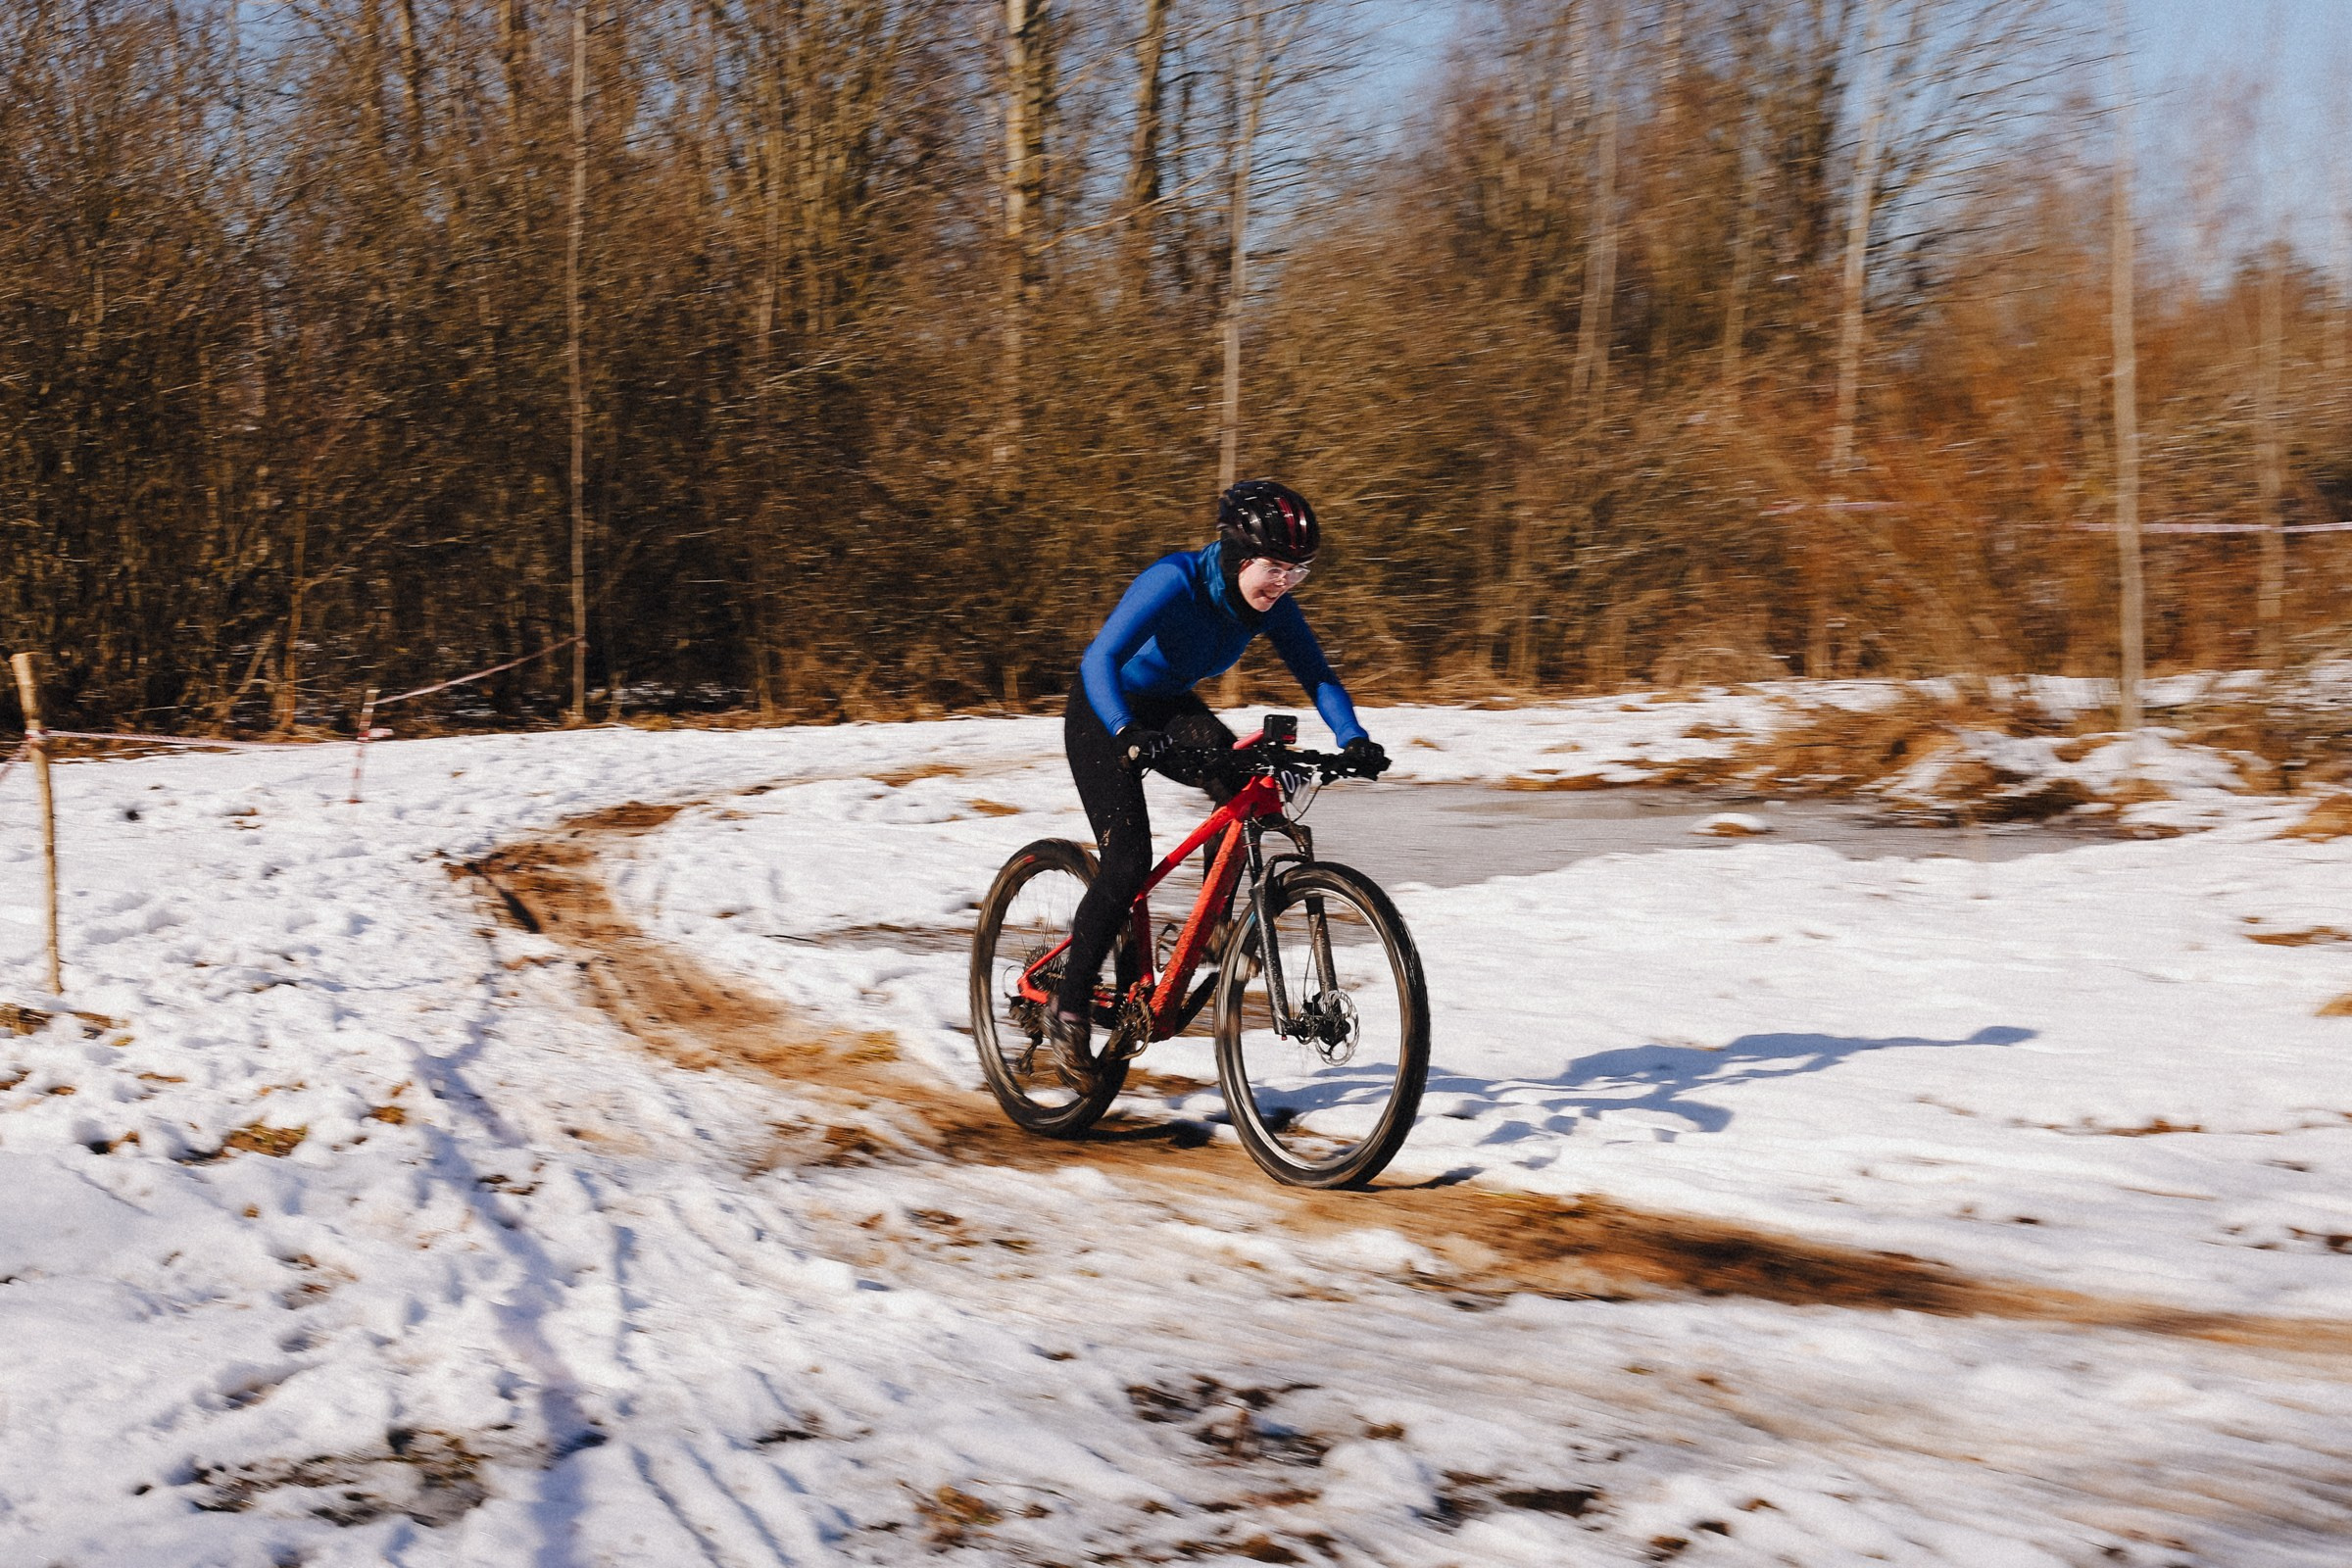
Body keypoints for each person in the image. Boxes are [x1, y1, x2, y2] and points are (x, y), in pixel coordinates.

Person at [1045, 478, 1388, 1083]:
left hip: (1167, 707)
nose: (1284, 583)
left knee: (1241, 780)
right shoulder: (1174, 580)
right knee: (1127, 861)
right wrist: (1125, 729)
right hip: (1106, 711)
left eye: (1298, 571)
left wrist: (1352, 738)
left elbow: (1318, 675)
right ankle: (1067, 1005)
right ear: (1236, 555)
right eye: (1276, 567)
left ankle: (1213, 928)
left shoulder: (1273, 608)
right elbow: (1098, 660)